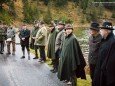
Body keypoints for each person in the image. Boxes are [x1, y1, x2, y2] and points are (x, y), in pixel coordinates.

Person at [93, 22, 115, 86]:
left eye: (101, 30)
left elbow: (111, 62)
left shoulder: (112, 42)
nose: (100, 31)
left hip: (105, 73)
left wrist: (103, 69)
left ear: (106, 31)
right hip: (99, 69)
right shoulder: (104, 39)